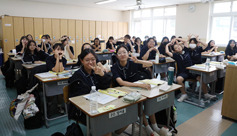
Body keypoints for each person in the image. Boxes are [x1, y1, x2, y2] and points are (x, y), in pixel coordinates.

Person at [111, 45, 160, 136]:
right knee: (138, 104)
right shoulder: (114, 67)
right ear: (117, 56)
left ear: (128, 53)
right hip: (122, 94)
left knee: (149, 100)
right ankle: (149, 129)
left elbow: (150, 64)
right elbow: (121, 82)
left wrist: (137, 61)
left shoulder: (132, 63)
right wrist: (140, 85)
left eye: (124, 52)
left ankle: (155, 126)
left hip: (135, 91)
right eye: (120, 53)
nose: (122, 54)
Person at [68, 49, 112, 136]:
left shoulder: (96, 71)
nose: (91, 62)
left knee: (118, 118)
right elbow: (79, 99)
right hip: (83, 111)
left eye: (93, 59)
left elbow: (106, 85)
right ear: (81, 61)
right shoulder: (77, 76)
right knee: (105, 126)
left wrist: (101, 74)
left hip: (99, 105)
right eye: (87, 60)